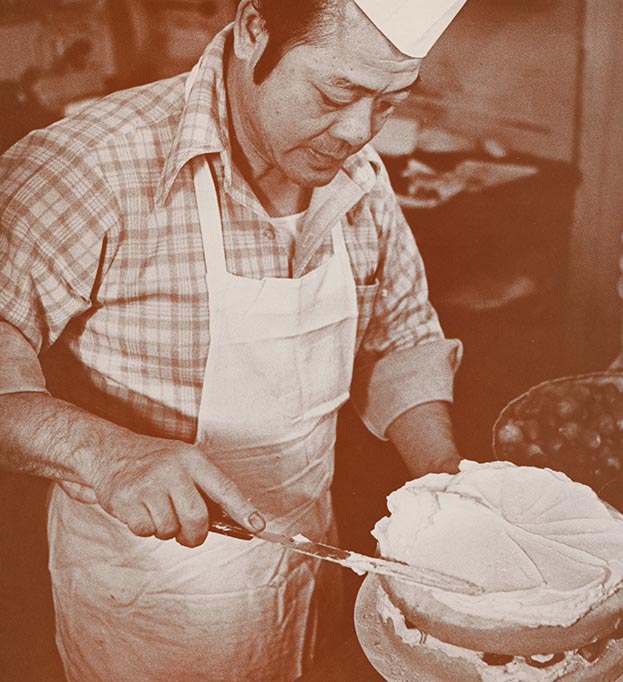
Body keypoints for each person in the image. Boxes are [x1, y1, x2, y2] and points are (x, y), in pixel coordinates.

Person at [0, 0, 468, 680]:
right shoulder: (91, 168)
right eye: (335, 94)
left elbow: (398, 339)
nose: (358, 132)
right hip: (150, 606)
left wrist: (445, 478)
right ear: (254, 30)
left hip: (308, 571)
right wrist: (106, 452)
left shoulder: (360, 179)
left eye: (389, 103)